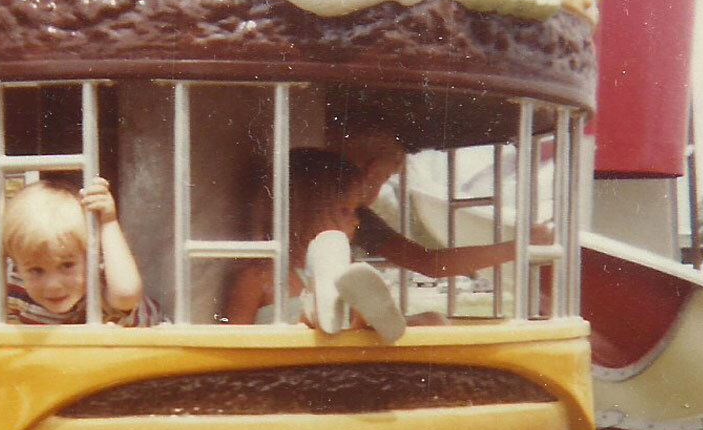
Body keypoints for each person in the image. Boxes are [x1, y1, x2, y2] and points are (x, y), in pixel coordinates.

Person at [0, 176, 163, 326]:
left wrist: (107, 221)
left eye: (67, 265)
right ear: (17, 265)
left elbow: (126, 295)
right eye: (36, 270)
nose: (53, 285)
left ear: (92, 256)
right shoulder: (14, 284)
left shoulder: (102, 281)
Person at [225, 147, 410, 339]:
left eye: (355, 211)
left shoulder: (350, 272)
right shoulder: (259, 276)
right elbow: (231, 341)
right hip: (287, 353)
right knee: (314, 316)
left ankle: (366, 317)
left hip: (337, 354)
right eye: (344, 210)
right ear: (304, 211)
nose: (356, 221)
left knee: (358, 307)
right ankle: (313, 311)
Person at [343, 132, 551, 277]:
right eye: (385, 177)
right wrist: (521, 245)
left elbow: (430, 263)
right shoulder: (356, 216)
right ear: (373, 171)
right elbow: (431, 263)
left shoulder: (346, 213)